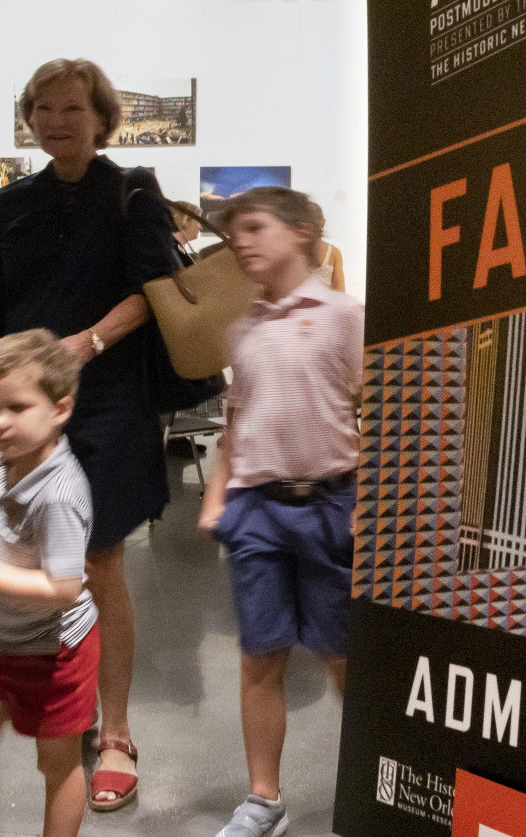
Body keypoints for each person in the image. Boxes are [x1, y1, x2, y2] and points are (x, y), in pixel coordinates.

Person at [0, 58, 174, 812]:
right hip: (24, 413)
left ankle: (113, 731)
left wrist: (84, 345)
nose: (57, 120)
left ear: (101, 116)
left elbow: (154, 293)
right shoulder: (11, 201)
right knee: (35, 560)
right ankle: (66, 706)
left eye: (73, 107)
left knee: (99, 561)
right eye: (43, 108)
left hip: (109, 401)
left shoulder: (133, 191)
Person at [199, 187, 363, 837]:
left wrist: (370, 503)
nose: (241, 240)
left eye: (254, 226)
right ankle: (264, 799)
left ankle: (375, 772)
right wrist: (218, 498)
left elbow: (380, 406)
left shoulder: (342, 315)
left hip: (329, 504)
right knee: (260, 657)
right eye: (235, 231)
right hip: (257, 511)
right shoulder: (244, 328)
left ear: (300, 232)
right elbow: (236, 423)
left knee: (339, 651)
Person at [0, 330, 98, 837]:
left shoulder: (57, 493)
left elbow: (65, 587)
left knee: (57, 767)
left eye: (16, 406)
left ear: (59, 409)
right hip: (2, 640)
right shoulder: (13, 464)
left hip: (57, 652)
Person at [167, 200, 205, 264]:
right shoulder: (170, 253)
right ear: (185, 220)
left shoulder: (178, 251)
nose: (200, 228)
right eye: (198, 222)